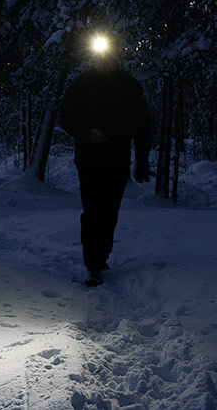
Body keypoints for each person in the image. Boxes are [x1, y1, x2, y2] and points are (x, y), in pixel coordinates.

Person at [59, 34, 151, 287]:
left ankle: (101, 257)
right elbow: (65, 116)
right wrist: (86, 133)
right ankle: (92, 263)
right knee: (92, 212)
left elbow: (142, 124)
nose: (102, 60)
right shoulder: (82, 84)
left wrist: (142, 159)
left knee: (109, 212)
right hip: (88, 159)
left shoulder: (129, 85)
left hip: (117, 160)